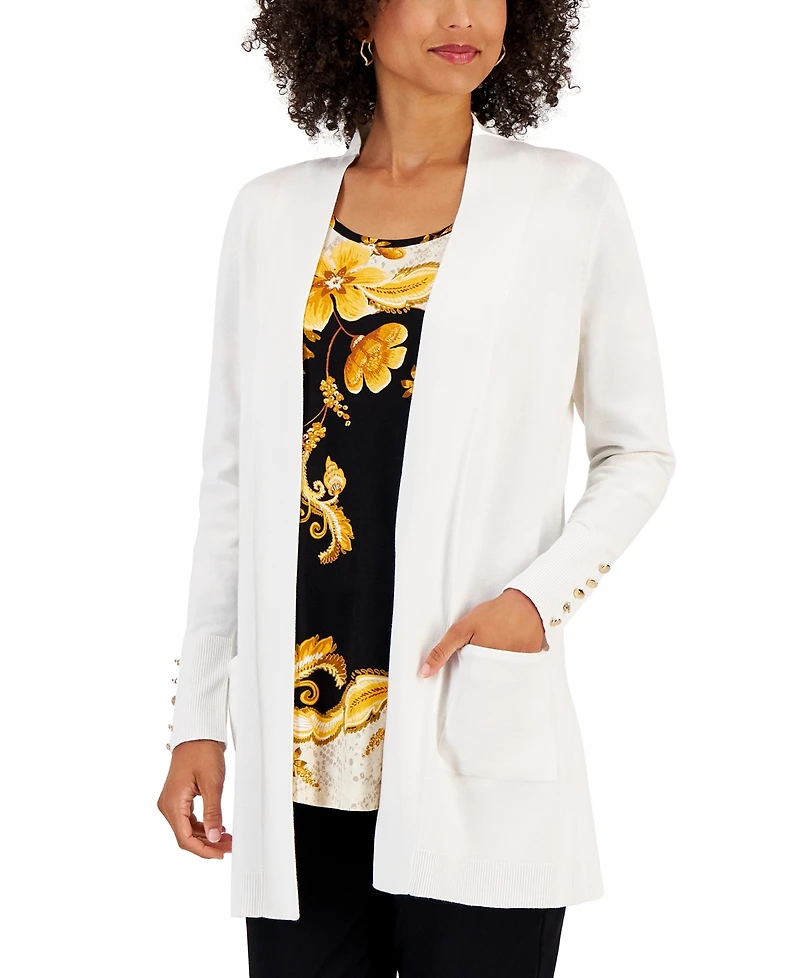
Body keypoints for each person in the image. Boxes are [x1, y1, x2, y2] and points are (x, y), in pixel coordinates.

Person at [157, 1, 677, 976]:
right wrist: (198, 721)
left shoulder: (567, 203)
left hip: (469, 735)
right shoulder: (269, 214)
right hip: (299, 754)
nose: (461, 15)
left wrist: (535, 601)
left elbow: (636, 451)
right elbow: (232, 488)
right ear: (352, 11)